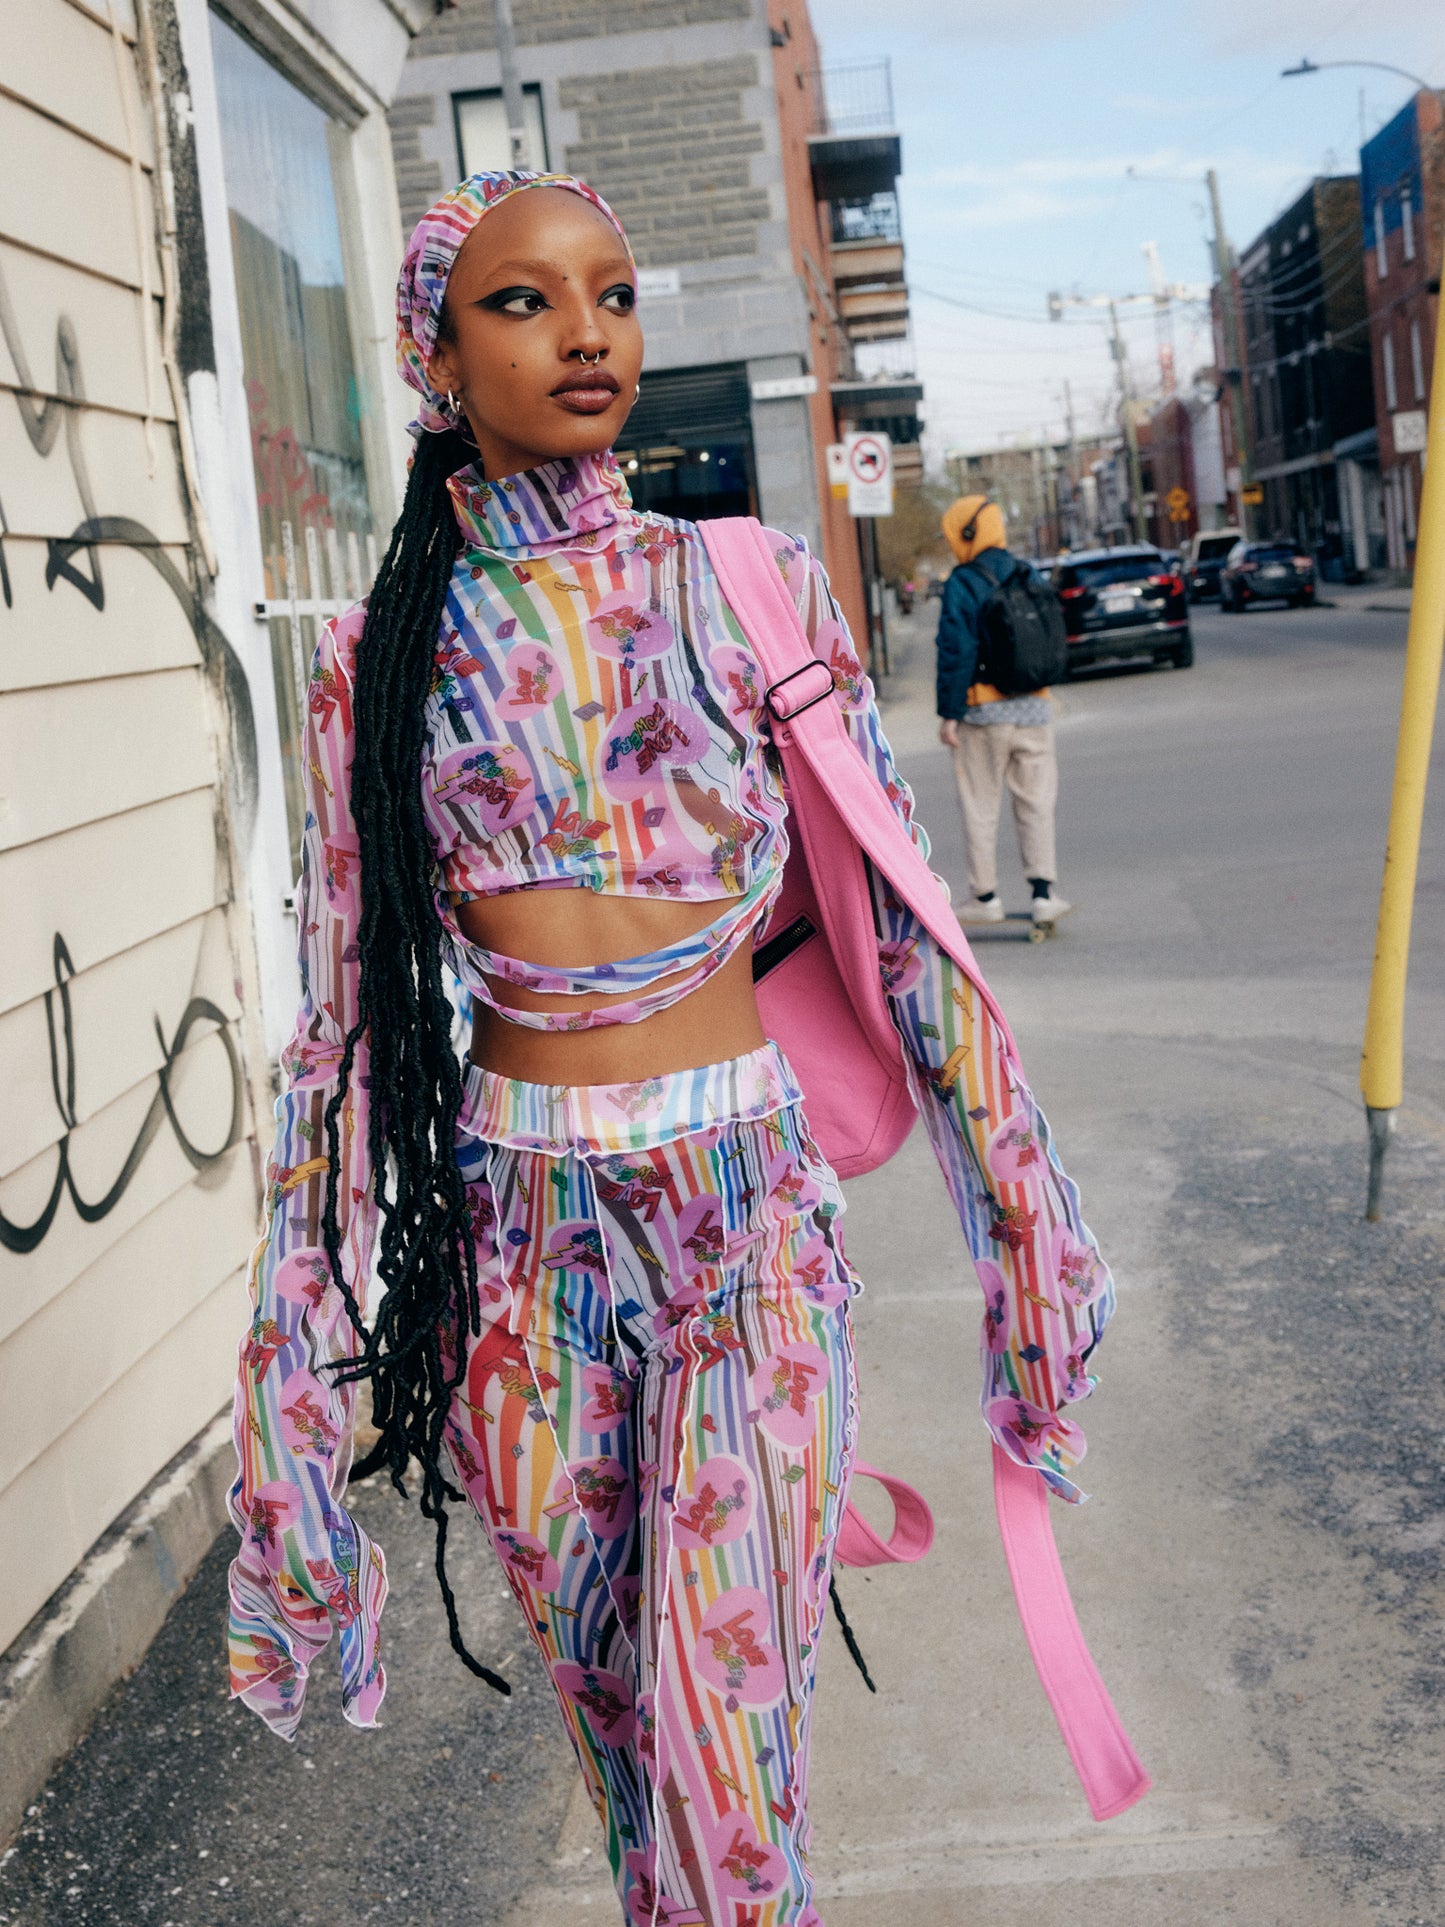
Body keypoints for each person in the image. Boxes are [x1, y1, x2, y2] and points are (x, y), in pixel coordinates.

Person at [226, 172, 1117, 1927]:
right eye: (525, 302)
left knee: (730, 1762)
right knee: (639, 1770)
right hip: (513, 1255)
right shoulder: (370, 658)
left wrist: (1029, 1228)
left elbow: (905, 931)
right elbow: (340, 1036)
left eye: (614, 295)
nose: (587, 332)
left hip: (746, 1229)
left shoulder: (748, 588)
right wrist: (290, 1394)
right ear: (434, 351)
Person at [935, 495, 1072, 927]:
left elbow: (957, 650)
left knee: (980, 805)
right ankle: (1045, 894)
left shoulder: (963, 581)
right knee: (1036, 803)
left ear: (966, 533)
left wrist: (949, 712)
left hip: (984, 713)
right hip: (1035, 706)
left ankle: (986, 897)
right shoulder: (1027, 571)